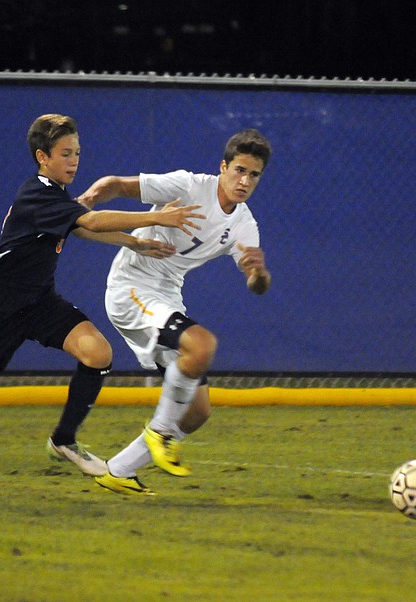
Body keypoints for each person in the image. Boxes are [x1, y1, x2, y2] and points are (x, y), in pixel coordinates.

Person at [0, 113, 204, 499]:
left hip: (39, 301)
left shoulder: (55, 196)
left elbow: (78, 226)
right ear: (43, 157)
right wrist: (156, 218)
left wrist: (134, 242)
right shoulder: (37, 192)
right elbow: (91, 221)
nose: (74, 160)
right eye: (65, 153)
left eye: (77, 152)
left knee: (97, 353)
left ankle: (64, 440)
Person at [76, 128, 272, 495]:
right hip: (130, 287)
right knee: (201, 345)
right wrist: (83, 202)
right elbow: (116, 184)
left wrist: (258, 273)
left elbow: (256, 286)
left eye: (254, 174)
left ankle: (118, 471)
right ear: (223, 167)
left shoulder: (245, 225)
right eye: (239, 170)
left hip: (166, 296)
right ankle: (159, 433)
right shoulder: (188, 185)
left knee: (197, 412)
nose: (244, 181)